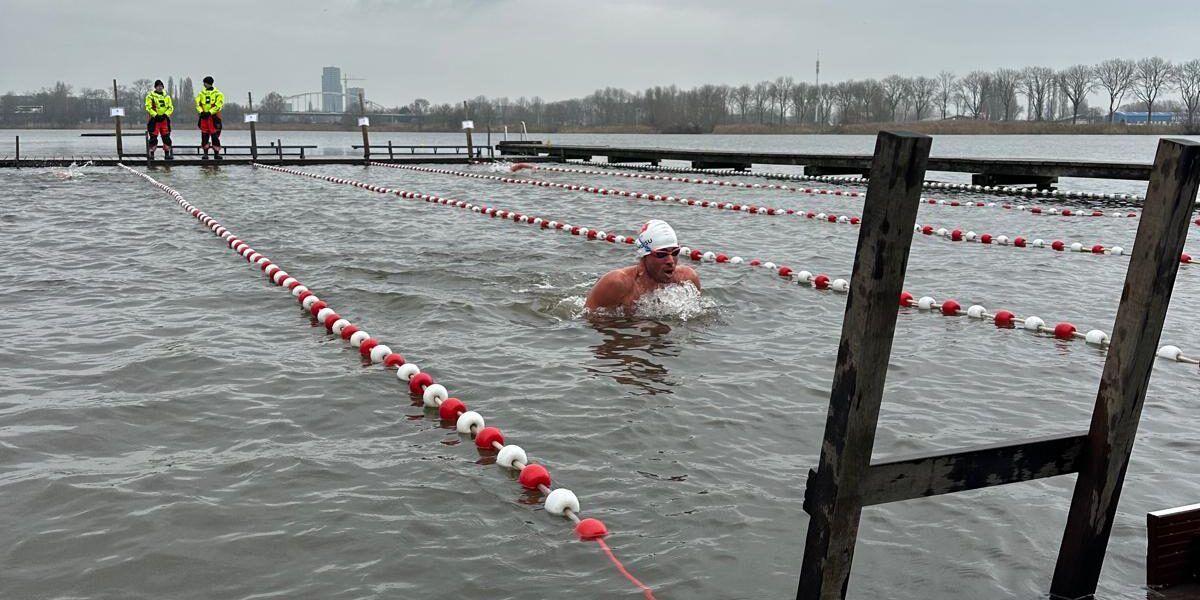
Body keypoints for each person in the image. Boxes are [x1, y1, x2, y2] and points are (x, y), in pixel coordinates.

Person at [585, 219, 701, 313]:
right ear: (645, 255)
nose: (671, 260)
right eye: (662, 254)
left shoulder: (687, 279)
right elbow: (590, 322)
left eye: (675, 252)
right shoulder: (616, 283)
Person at [195, 76, 225, 159]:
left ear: (208, 83)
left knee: (215, 136)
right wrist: (201, 112)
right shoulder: (201, 93)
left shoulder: (218, 94)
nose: (204, 84)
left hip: (214, 118)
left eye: (205, 83)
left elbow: (219, 105)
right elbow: (197, 104)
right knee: (204, 136)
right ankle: (205, 154)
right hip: (204, 118)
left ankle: (216, 153)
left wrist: (210, 112)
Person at [144, 79, 174, 160]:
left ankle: (167, 154)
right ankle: (152, 154)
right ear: (155, 87)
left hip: (164, 120)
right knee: (153, 137)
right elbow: (148, 107)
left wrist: (165, 114)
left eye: (161, 86)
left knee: (166, 137)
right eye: (158, 86)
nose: (160, 88)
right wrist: (155, 115)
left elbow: (171, 107)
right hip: (154, 120)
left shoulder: (167, 97)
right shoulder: (150, 96)